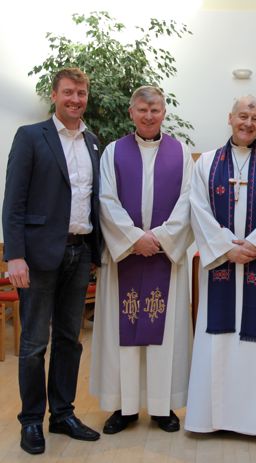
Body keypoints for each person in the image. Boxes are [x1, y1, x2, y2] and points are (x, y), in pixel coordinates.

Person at [2, 67, 101, 454]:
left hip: (79, 252)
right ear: (54, 95)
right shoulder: (31, 137)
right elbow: (13, 202)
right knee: (33, 343)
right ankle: (30, 421)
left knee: (68, 340)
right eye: (68, 93)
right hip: (40, 255)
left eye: (81, 94)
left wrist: (96, 251)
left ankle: (62, 414)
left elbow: (92, 199)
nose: (75, 99)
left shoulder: (93, 141)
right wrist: (15, 256)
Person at [185, 95, 256, 436]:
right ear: (230, 118)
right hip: (224, 263)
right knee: (218, 340)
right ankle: (212, 418)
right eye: (243, 116)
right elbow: (197, 208)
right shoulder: (206, 163)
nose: (249, 122)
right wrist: (224, 248)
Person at [89, 86, 193, 434]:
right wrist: (134, 239)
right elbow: (105, 200)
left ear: (164, 113)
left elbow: (188, 203)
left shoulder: (180, 152)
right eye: (142, 110)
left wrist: (160, 239)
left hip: (164, 258)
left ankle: (163, 408)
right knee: (124, 332)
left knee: (164, 334)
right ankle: (125, 406)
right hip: (125, 260)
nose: (149, 116)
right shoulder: (113, 152)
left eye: (156, 110)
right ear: (131, 112)